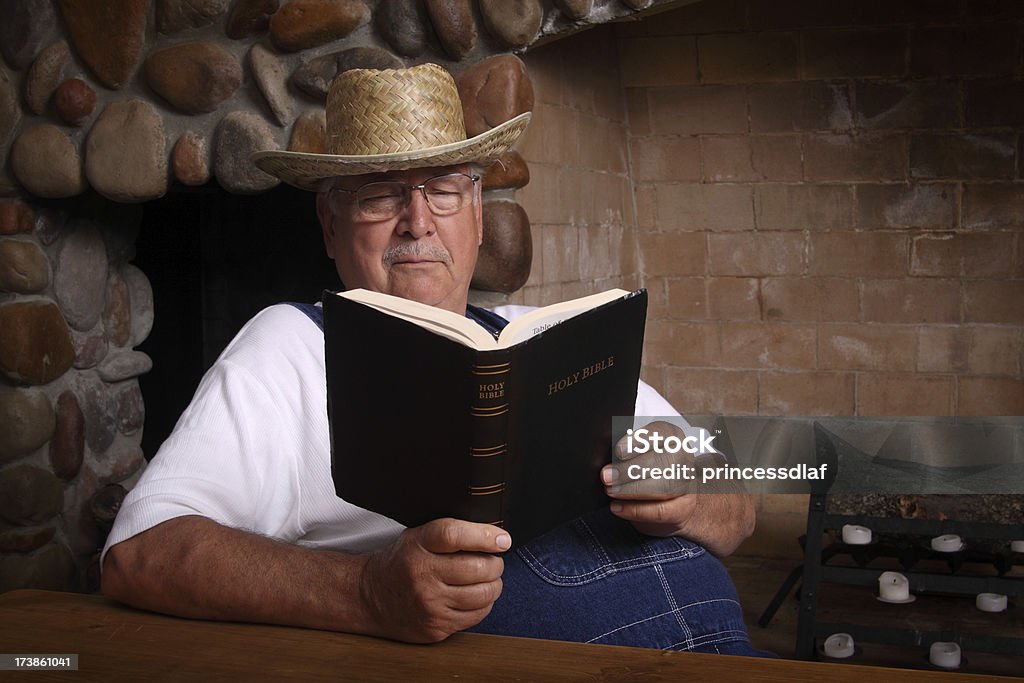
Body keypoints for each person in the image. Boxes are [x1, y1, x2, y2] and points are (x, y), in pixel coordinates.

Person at [101, 63, 760, 654]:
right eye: (382, 194)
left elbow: (742, 513)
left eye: (442, 189)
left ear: (476, 215)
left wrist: (691, 498)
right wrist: (365, 591)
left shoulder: (540, 334)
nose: (417, 221)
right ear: (330, 226)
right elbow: (138, 553)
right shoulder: (290, 346)